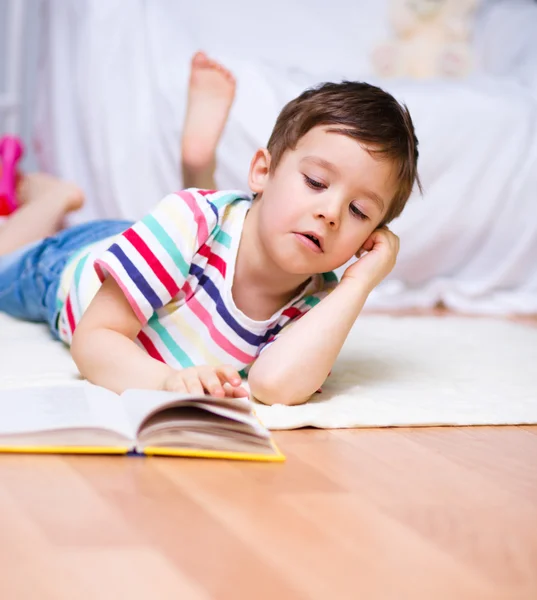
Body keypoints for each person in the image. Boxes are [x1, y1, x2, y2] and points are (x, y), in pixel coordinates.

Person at [0, 52, 420, 406]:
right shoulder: (192, 219)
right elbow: (94, 341)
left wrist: (359, 282)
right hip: (68, 266)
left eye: (359, 211)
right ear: (262, 170)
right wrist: (165, 382)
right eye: (315, 182)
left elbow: (274, 387)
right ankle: (53, 198)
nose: (331, 213)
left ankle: (197, 163)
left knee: (207, 232)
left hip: (169, 254)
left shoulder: (321, 301)